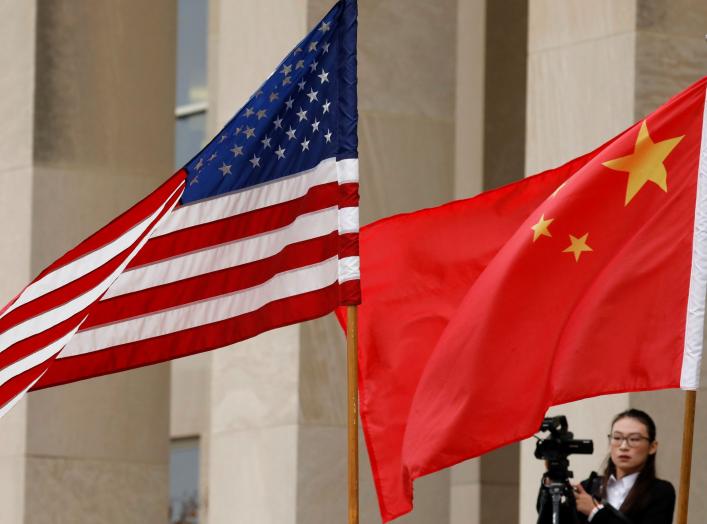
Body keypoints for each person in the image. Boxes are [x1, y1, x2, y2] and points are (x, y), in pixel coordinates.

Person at [537, 409, 675, 524]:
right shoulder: (589, 487)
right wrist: (550, 484)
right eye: (617, 438)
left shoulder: (660, 491)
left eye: (634, 439)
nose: (624, 446)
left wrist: (595, 512)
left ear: (652, 447)